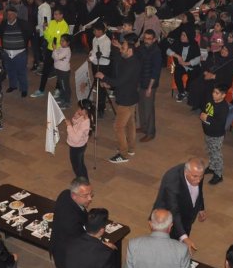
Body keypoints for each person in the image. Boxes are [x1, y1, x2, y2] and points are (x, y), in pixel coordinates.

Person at [97, 34, 141, 164]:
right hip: (131, 96)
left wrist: (104, 77)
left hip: (126, 100)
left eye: (123, 48)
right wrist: (109, 84)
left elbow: (119, 81)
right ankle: (131, 148)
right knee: (130, 124)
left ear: (130, 50)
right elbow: (122, 79)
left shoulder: (131, 64)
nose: (121, 49)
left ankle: (123, 154)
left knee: (118, 127)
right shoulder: (131, 60)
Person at [153, 158, 207, 252]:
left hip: (186, 213)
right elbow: (174, 211)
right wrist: (184, 237)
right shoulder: (172, 181)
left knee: (183, 235)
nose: (198, 180)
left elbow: (199, 190)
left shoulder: (197, 172)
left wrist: (201, 208)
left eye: (201, 176)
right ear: (186, 172)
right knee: (169, 244)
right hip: (167, 218)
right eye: (195, 176)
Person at [50, 177, 93, 268]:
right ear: (74, 196)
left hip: (59, 242)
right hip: (66, 254)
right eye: (85, 196)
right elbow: (83, 239)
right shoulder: (71, 221)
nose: (90, 198)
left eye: (91, 194)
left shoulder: (65, 194)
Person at [32, 8, 69, 97]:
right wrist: (45, 29)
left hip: (59, 51)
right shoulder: (51, 22)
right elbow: (47, 37)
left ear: (61, 15)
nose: (55, 16)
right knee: (46, 70)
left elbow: (60, 40)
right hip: (50, 49)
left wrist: (51, 37)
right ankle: (41, 90)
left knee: (59, 70)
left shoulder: (65, 25)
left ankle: (57, 89)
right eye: (54, 14)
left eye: (57, 14)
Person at [136, 29, 162, 142]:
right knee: (141, 107)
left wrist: (150, 88)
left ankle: (151, 132)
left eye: (149, 39)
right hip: (141, 82)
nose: (146, 41)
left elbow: (156, 72)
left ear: (154, 39)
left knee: (148, 109)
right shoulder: (142, 47)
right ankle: (143, 127)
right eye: (145, 38)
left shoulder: (156, 52)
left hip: (150, 84)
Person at [200, 84, 229, 185]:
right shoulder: (211, 100)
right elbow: (206, 109)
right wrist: (203, 115)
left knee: (216, 154)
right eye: (213, 92)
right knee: (210, 151)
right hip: (208, 132)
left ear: (223, 95)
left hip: (216, 135)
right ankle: (212, 167)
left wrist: (206, 118)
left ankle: (218, 174)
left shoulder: (223, 107)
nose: (213, 94)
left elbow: (220, 123)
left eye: (217, 93)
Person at [0, 6, 31, 97]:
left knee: (21, 72)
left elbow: (28, 33)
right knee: (10, 71)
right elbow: (0, 33)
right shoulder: (4, 23)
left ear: (16, 15)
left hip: (20, 53)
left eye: (11, 14)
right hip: (7, 53)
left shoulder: (22, 23)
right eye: (8, 14)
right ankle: (13, 86)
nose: (9, 16)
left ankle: (24, 89)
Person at [65, 100, 94, 180]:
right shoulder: (85, 116)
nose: (77, 110)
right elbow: (77, 125)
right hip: (80, 145)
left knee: (77, 167)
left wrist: (69, 126)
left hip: (76, 147)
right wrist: (75, 118)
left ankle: (82, 182)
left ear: (84, 110)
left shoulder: (85, 123)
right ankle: (85, 180)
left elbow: (75, 139)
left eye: (79, 108)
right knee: (80, 164)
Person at [53, 33, 72, 109]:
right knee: (61, 85)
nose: (61, 42)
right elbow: (53, 56)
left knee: (65, 86)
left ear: (68, 43)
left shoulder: (67, 50)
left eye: (63, 41)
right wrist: (57, 56)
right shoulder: (60, 48)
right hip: (59, 70)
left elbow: (56, 57)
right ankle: (62, 98)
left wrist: (55, 51)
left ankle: (67, 102)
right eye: (61, 40)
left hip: (63, 71)